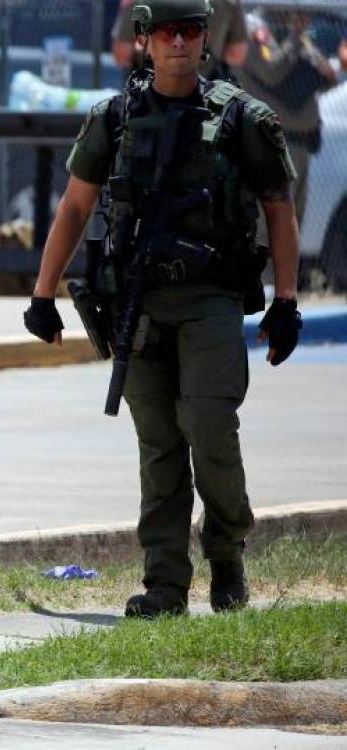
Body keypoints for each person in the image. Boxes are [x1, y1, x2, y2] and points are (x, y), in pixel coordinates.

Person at [23, 0, 302, 619]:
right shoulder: (115, 117)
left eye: (191, 31)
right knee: (158, 444)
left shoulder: (241, 118)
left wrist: (286, 300)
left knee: (208, 427)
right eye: (167, 32)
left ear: (205, 38)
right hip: (137, 303)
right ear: (144, 40)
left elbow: (279, 210)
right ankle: (165, 585)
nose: (179, 42)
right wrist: (43, 294)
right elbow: (73, 208)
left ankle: (226, 549)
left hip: (210, 297)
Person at [238, 8, 340, 225]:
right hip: (273, 144)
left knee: (293, 226)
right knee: (272, 229)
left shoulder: (289, 30)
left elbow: (326, 74)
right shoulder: (254, 29)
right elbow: (271, 70)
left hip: (301, 145)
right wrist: (295, 36)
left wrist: (302, 41)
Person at [112, 0, 247, 78]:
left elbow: (122, 55)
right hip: (209, 93)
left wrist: (149, 47)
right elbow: (236, 55)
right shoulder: (228, 3)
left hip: (152, 93)